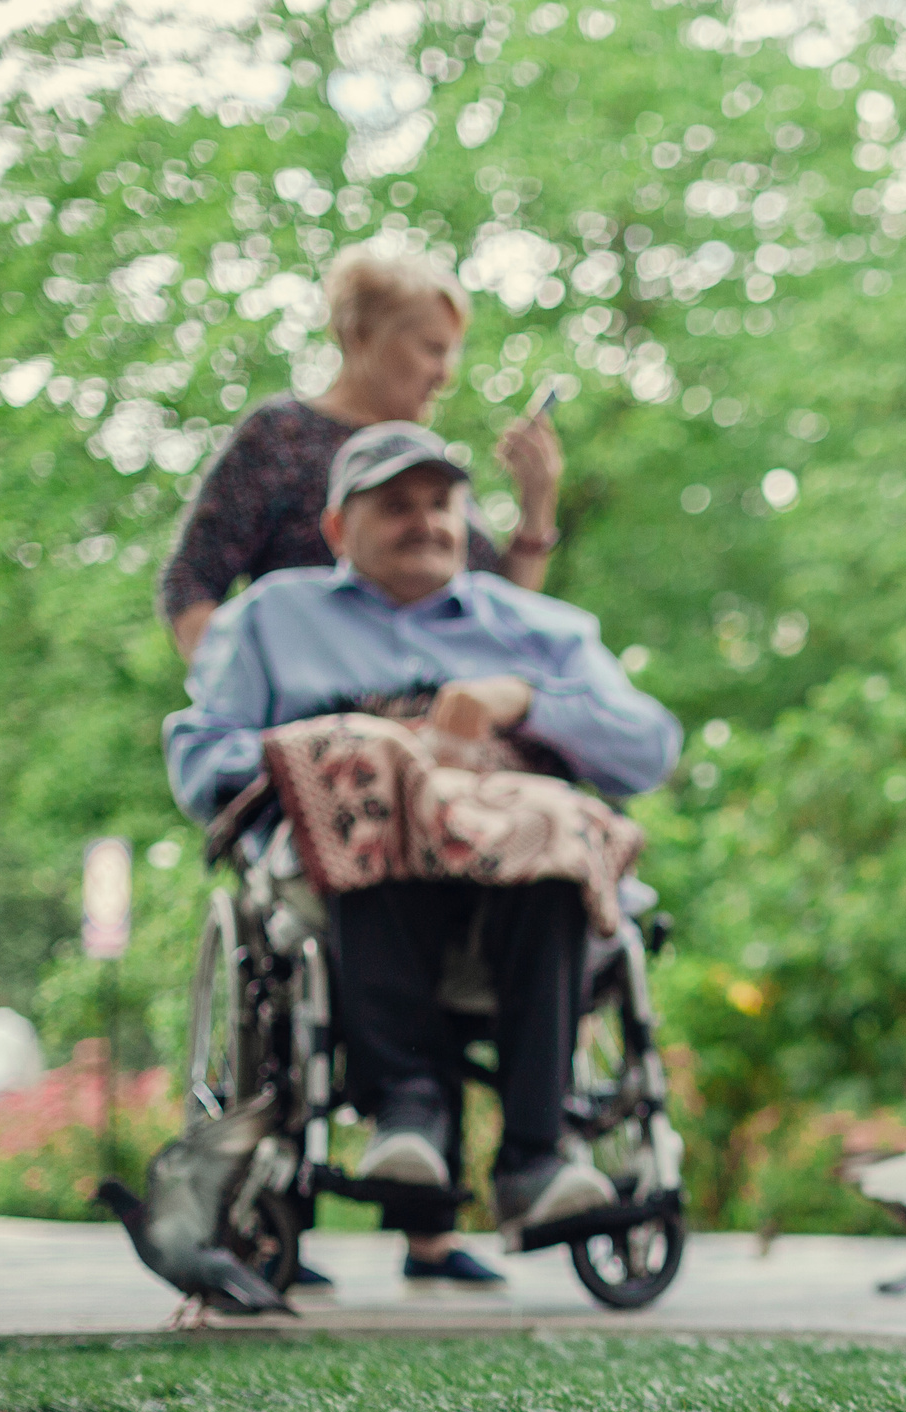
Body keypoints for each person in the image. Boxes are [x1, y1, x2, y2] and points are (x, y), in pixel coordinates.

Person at [164, 421, 681, 1285]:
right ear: (338, 528)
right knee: (368, 775)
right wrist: (336, 750)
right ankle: (407, 1110)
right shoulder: (268, 620)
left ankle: (534, 1155)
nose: (426, 522)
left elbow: (649, 747)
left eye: (441, 503)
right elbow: (198, 759)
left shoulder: (537, 629)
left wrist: (524, 702)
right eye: (396, 505)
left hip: (516, 871)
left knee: (550, 829)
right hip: (345, 867)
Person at [156, 249, 565, 661]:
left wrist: (536, 504)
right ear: (360, 335)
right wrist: (250, 689)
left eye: (452, 353)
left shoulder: (428, 461)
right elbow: (190, 581)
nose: (446, 374)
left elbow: (499, 613)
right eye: (432, 349)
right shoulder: (282, 435)